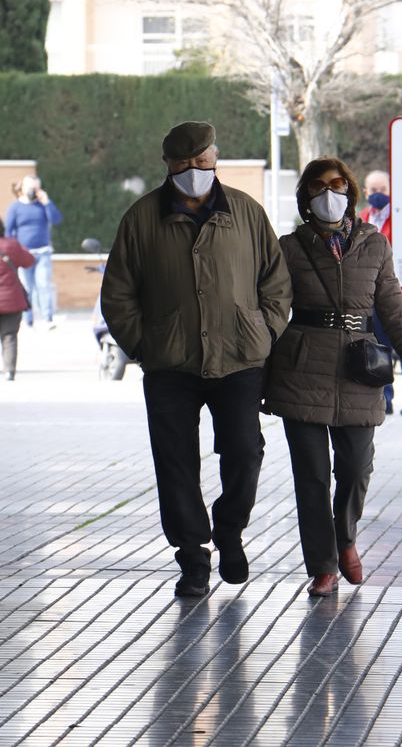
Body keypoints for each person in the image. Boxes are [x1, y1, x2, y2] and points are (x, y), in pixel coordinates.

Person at [100, 121, 293, 598]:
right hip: (170, 365)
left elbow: (275, 282)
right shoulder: (142, 218)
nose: (194, 170)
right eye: (183, 164)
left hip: (239, 357)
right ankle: (192, 556)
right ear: (167, 164)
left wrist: (264, 332)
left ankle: (230, 530)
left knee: (245, 451)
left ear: (215, 157)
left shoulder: (246, 212)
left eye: (202, 161)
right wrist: (146, 345)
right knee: (175, 463)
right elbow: (118, 294)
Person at [265, 157, 402, 597]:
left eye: (337, 184)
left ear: (350, 192)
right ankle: (322, 566)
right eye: (318, 187)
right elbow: (270, 310)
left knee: (357, 467)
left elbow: (394, 311)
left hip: (360, 368)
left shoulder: (374, 245)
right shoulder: (289, 247)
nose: (329, 193)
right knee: (312, 475)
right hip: (302, 368)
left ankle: (345, 539)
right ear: (305, 197)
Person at [359, 170, 402, 416]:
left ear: (391, 190)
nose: (378, 194)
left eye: (382, 189)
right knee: (379, 347)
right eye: (373, 190)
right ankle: (384, 399)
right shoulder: (362, 218)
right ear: (365, 192)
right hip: (372, 294)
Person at [0, 210, 34, 381]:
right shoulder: (12, 245)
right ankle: (9, 372)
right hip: (11, 301)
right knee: (9, 336)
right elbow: (29, 261)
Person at [5, 176, 63, 329]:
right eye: (30, 187)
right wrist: (12, 251)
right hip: (24, 254)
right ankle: (28, 320)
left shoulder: (43, 205)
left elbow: (56, 219)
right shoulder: (15, 207)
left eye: (36, 188)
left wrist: (47, 202)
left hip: (43, 252)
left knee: (43, 285)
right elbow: (8, 231)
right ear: (23, 188)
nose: (33, 191)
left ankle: (47, 319)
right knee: (27, 288)